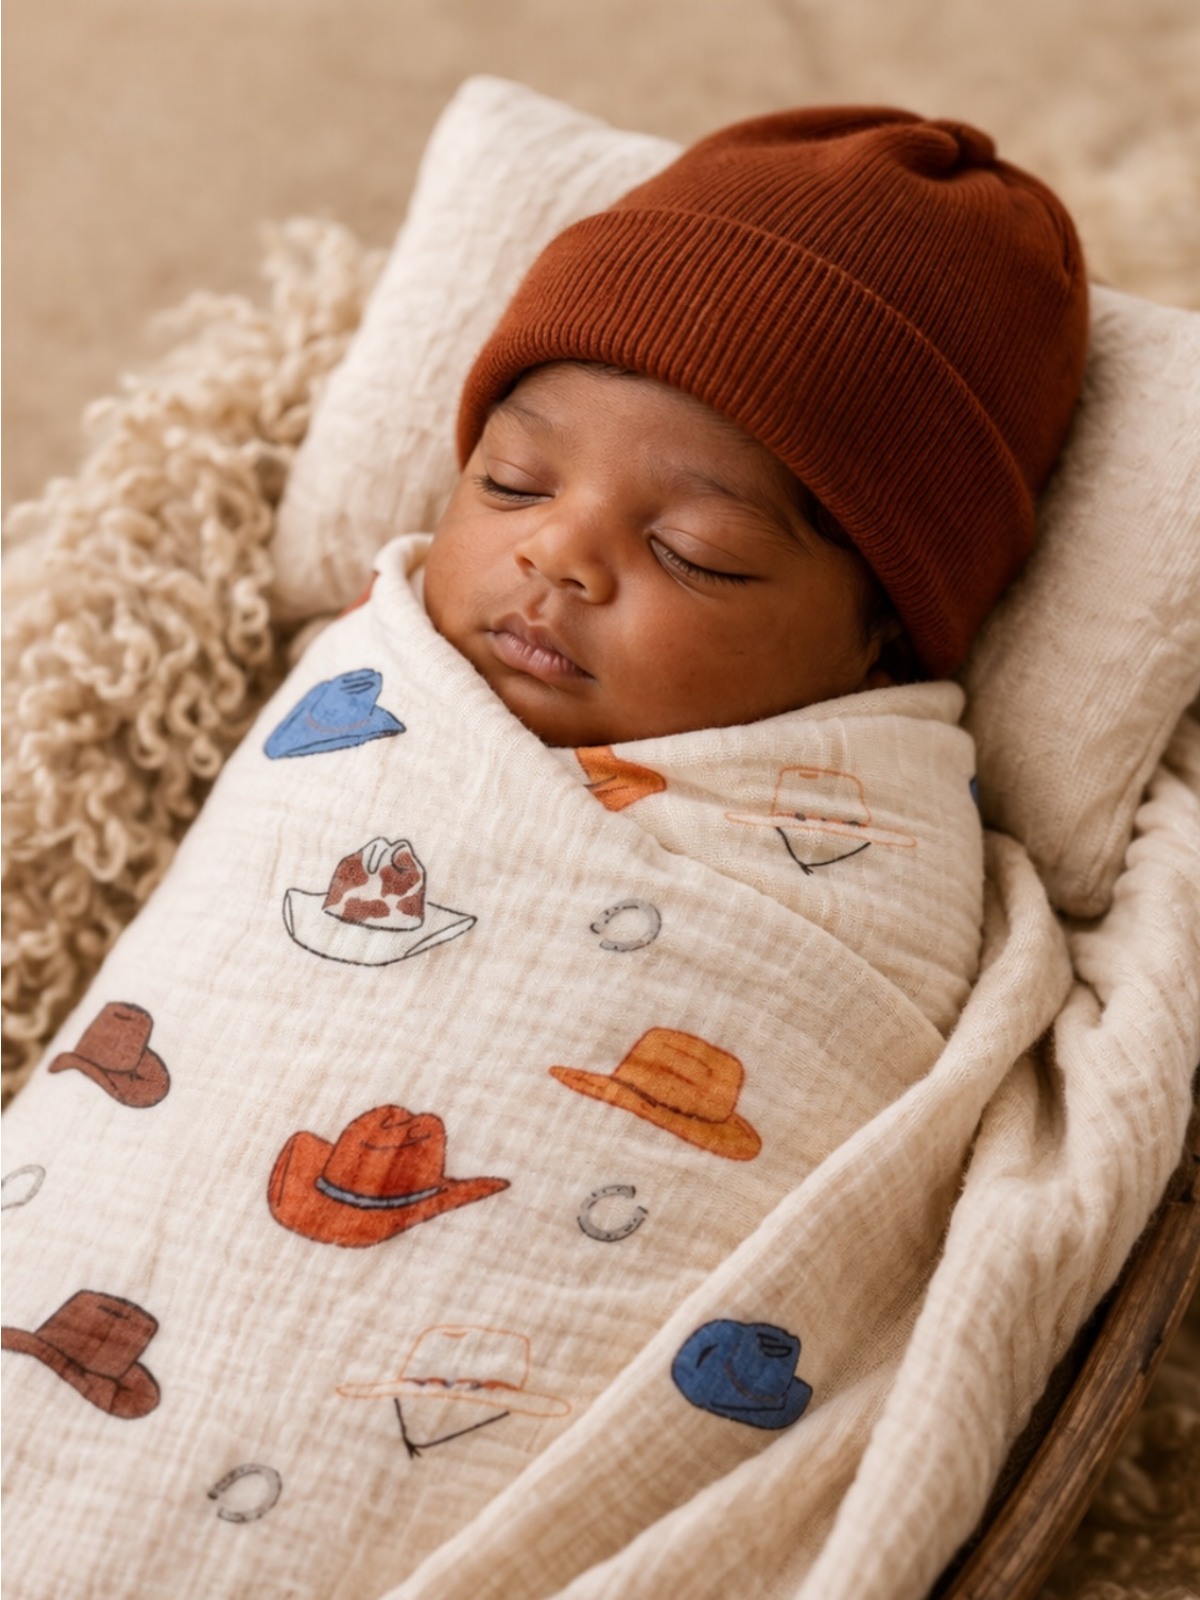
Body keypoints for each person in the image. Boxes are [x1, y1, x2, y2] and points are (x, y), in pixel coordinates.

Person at [0, 107, 1089, 1600]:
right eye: (512, 484)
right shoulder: (376, 687)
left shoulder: (877, 861)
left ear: (876, 631)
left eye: (697, 552)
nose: (557, 556)